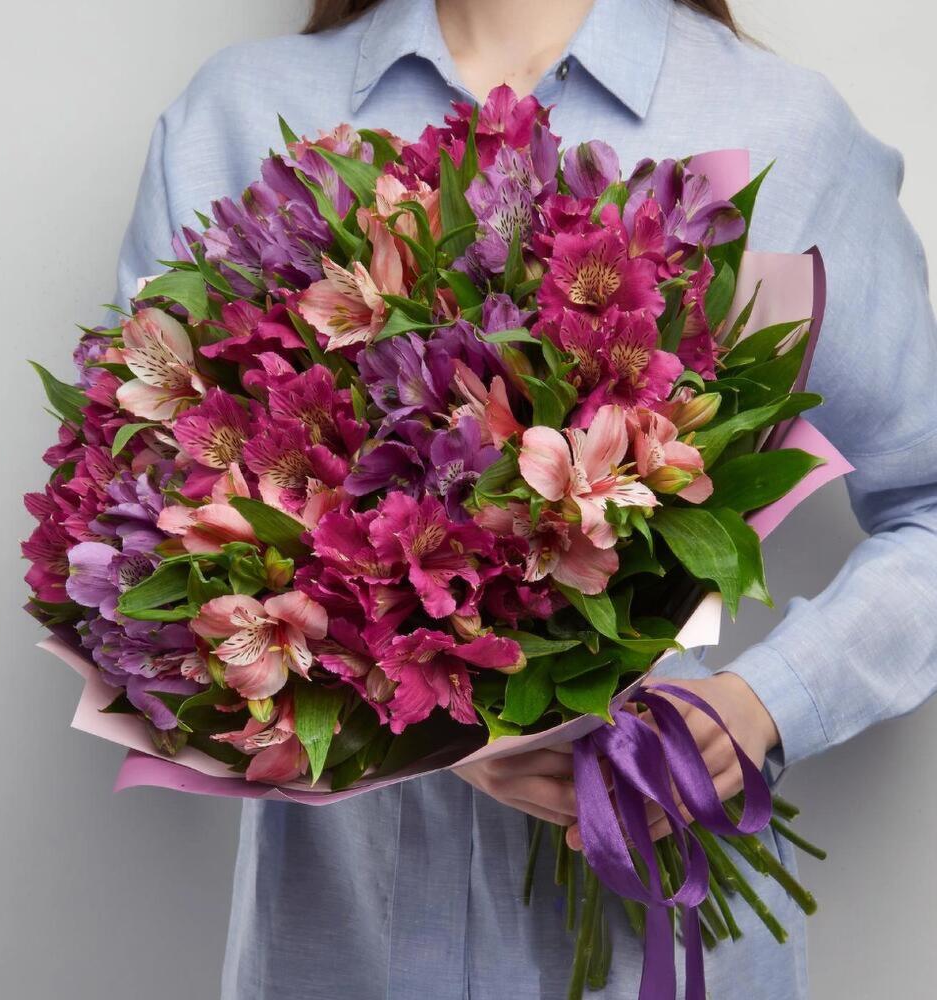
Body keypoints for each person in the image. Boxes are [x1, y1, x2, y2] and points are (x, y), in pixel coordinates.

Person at [114, 1, 937, 996]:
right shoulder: (239, 115)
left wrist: (766, 703)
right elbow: (151, 530)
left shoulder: (781, 124)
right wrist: (424, 720)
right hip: (339, 945)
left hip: (659, 933)